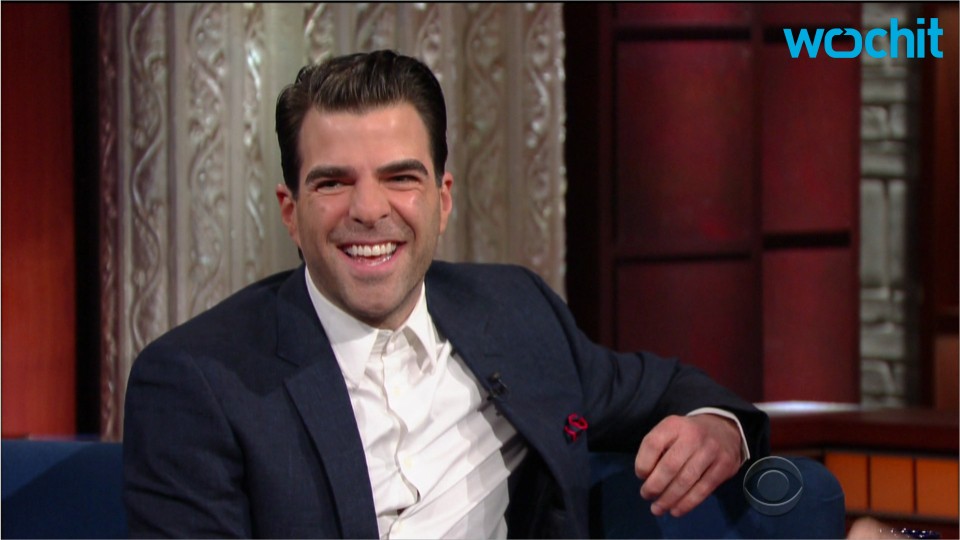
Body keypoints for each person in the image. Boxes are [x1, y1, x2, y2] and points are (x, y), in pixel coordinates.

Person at [123, 50, 770, 539]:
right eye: (333, 183)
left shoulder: (514, 313)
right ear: (291, 212)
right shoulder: (197, 381)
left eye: (400, 177)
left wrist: (716, 428)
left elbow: (666, 390)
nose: (368, 210)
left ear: (442, 200)